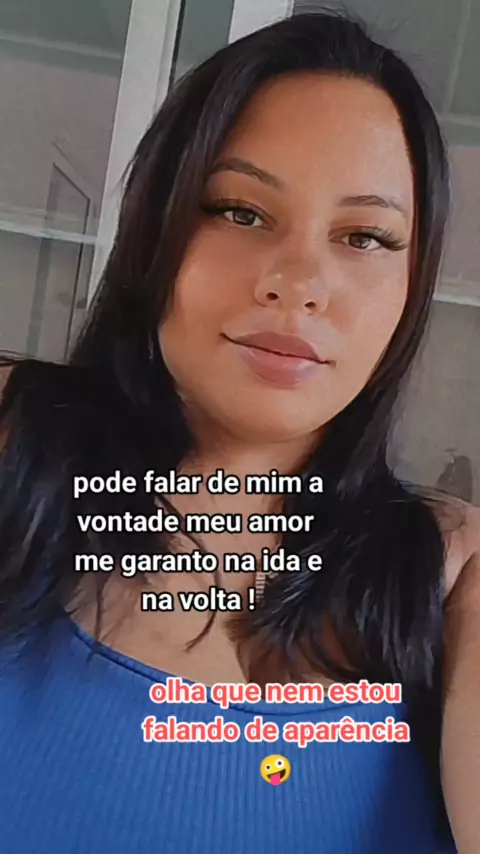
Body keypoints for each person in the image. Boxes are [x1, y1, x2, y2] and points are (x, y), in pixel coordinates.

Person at [0, 10, 478, 854]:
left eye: (365, 237)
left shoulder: (451, 581)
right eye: (240, 212)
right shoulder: (14, 443)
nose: (299, 282)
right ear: (156, 231)